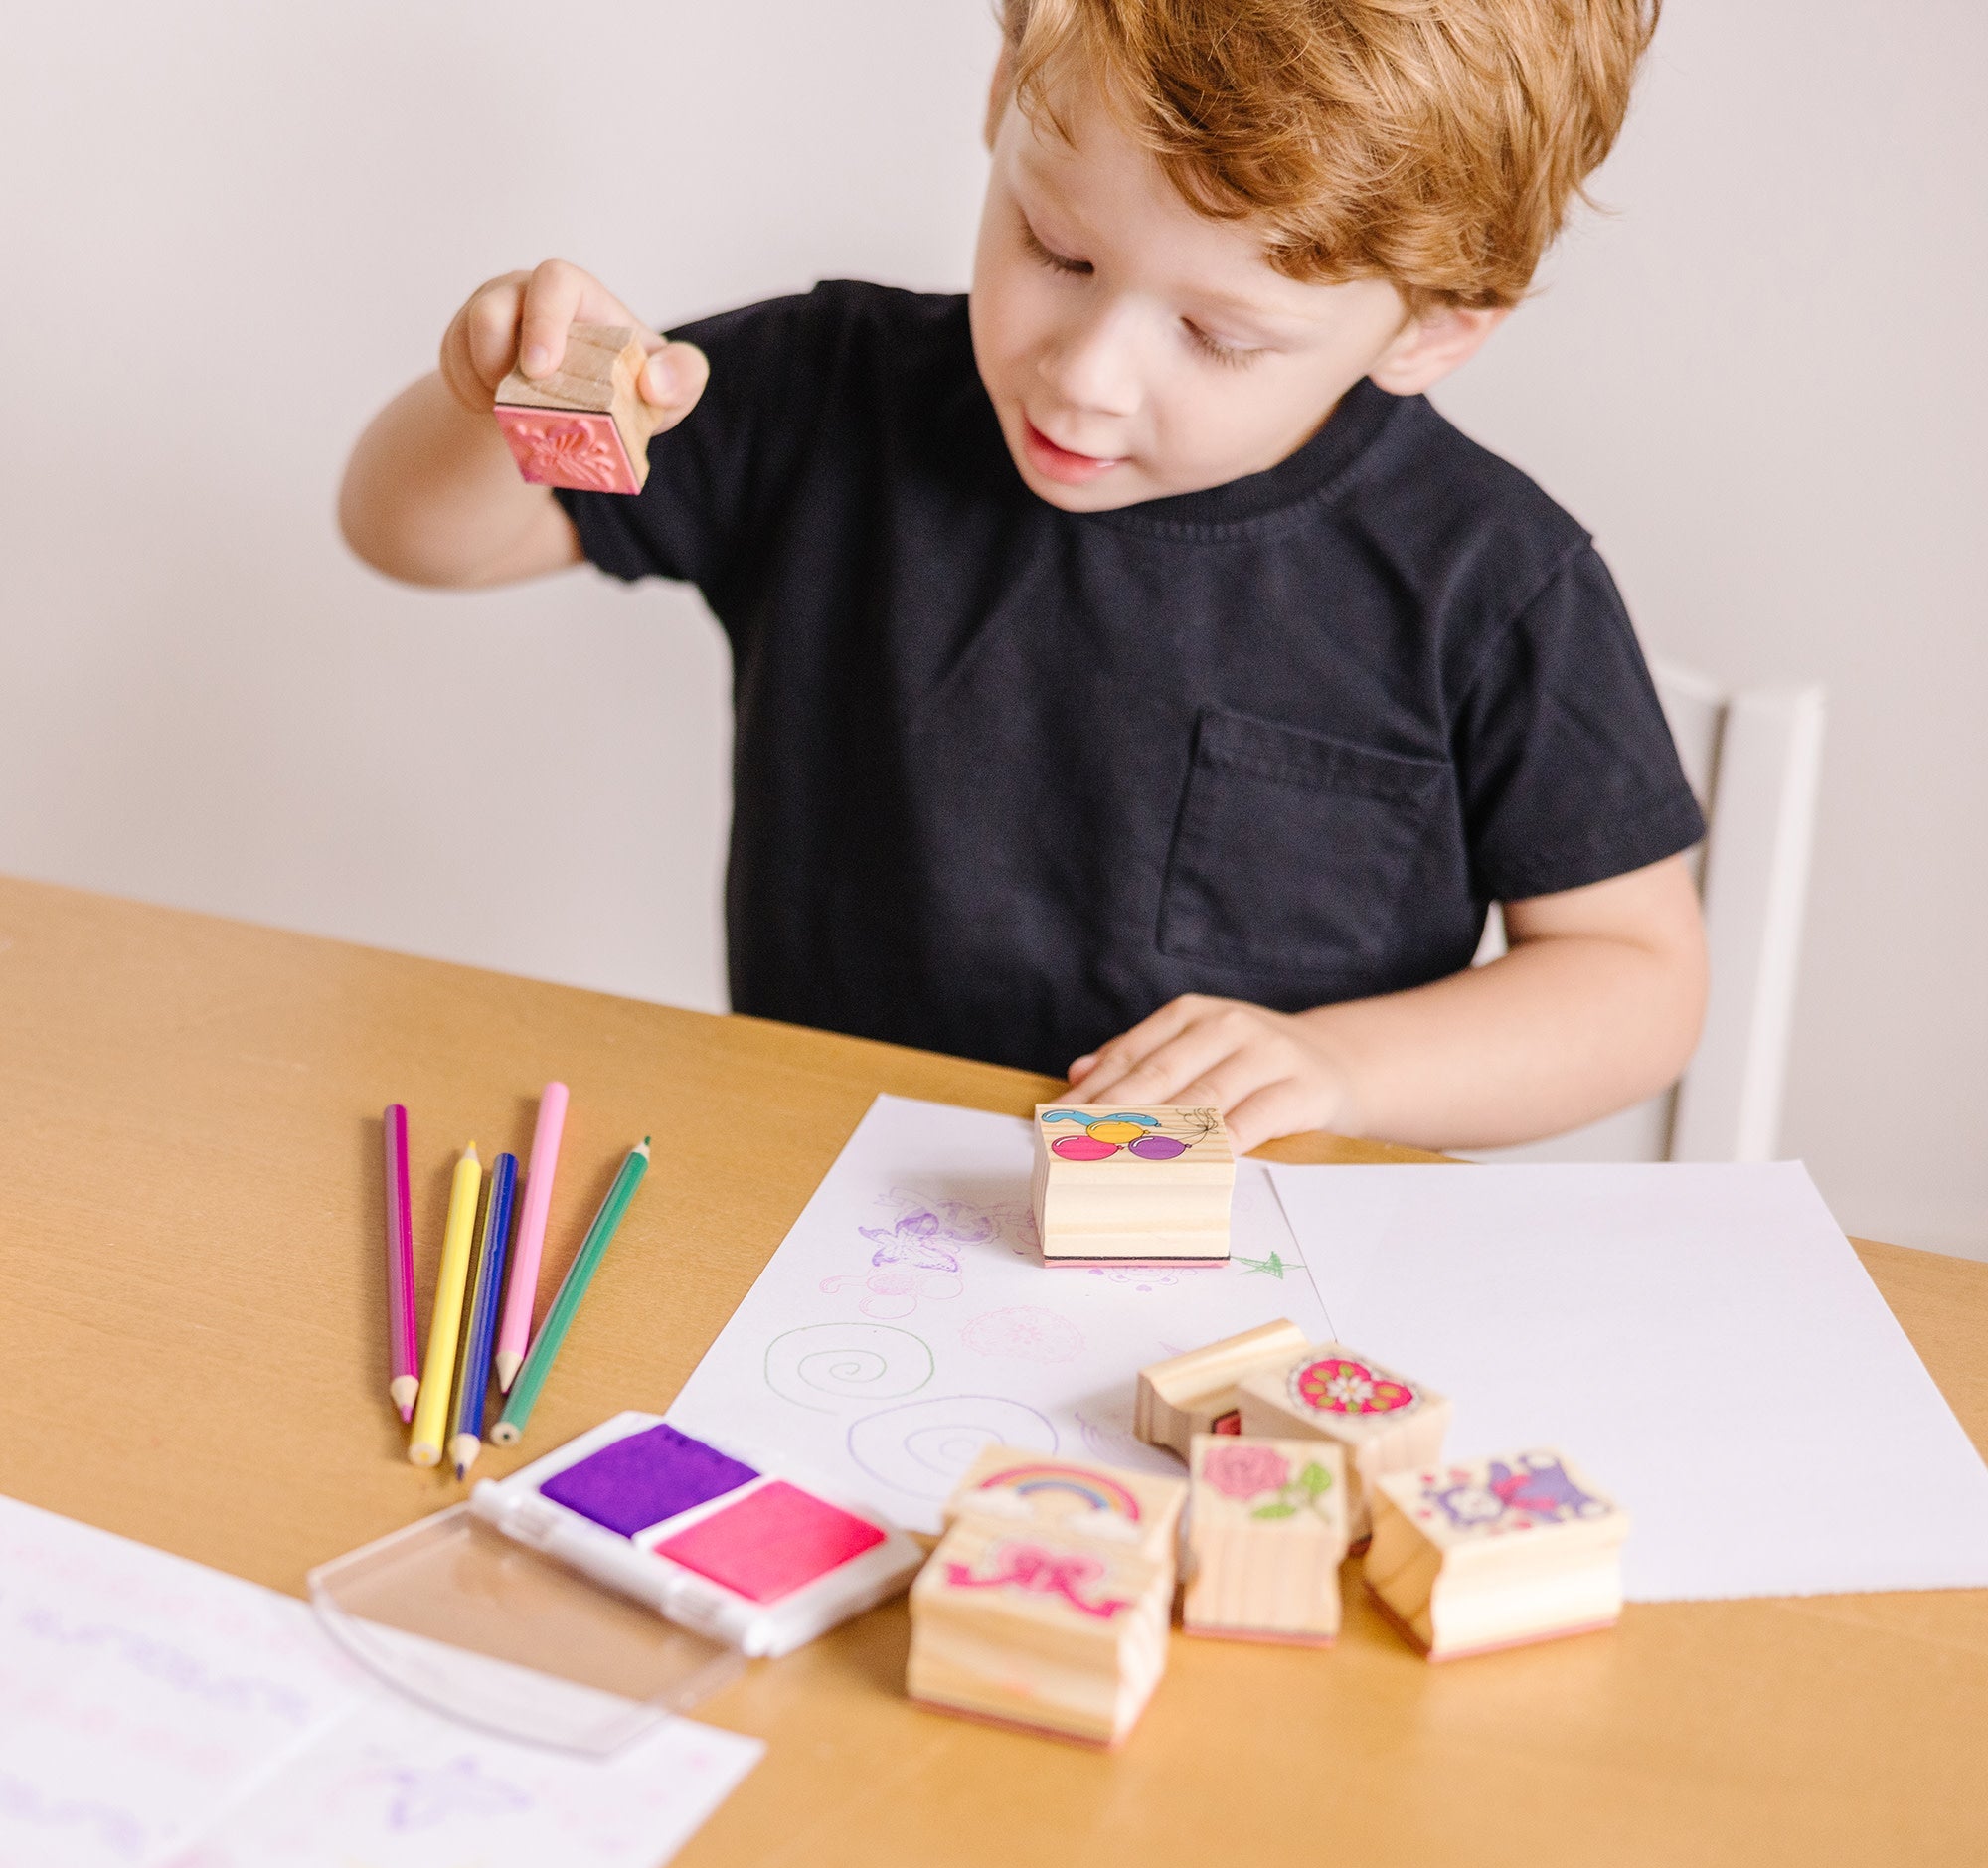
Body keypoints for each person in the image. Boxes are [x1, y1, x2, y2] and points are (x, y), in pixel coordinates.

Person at [340, 0, 1706, 1154]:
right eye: (1059, 250)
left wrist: (1342, 1069)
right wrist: (497, 402)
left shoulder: (1490, 577)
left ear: (1434, 332)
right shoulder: (826, 398)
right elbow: (407, 534)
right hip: (815, 1210)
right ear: (1005, 93)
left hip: (1251, 1287)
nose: (1088, 376)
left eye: (1216, 336)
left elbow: (1637, 981)